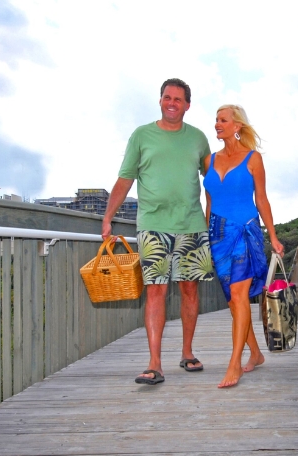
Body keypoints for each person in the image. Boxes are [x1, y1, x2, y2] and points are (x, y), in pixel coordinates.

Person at [102, 78, 214, 385]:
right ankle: (154, 363)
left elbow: (213, 182)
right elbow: (125, 180)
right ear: (160, 100)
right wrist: (108, 218)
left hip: (192, 225)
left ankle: (188, 352)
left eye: (178, 99)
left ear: (187, 105)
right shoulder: (141, 136)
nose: (172, 103)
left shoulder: (198, 139)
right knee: (155, 292)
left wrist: (210, 217)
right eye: (167, 97)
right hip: (152, 226)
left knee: (190, 291)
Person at [203, 105, 283, 388]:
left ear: (237, 126)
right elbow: (209, 202)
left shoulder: (253, 159)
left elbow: (262, 199)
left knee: (239, 296)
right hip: (218, 235)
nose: (217, 124)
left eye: (222, 120)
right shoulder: (208, 160)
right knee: (233, 301)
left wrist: (272, 236)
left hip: (245, 231)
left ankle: (234, 363)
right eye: (216, 120)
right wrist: (205, 235)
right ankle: (256, 353)